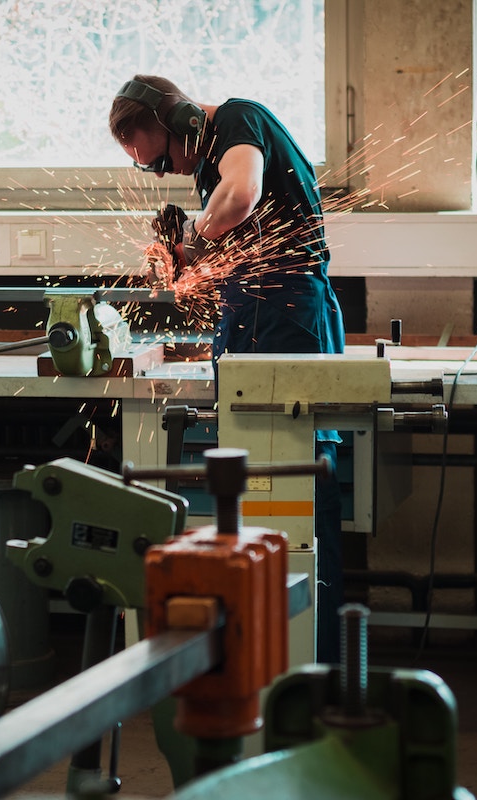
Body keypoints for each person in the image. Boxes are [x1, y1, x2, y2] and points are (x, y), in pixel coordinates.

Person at [109, 75, 346, 663]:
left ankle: (312, 656)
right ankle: (269, 648)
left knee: (298, 486)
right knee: (260, 484)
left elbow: (239, 198)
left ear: (183, 119)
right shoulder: (207, 161)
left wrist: (189, 238)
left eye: (161, 158)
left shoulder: (238, 120)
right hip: (253, 311)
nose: (164, 172)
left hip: (287, 313)